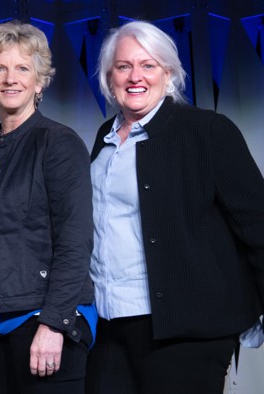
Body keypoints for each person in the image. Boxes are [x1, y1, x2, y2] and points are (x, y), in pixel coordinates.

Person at [85, 20, 264, 394]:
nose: (135, 76)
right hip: (111, 322)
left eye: (148, 65)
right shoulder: (103, 138)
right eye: (123, 66)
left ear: (168, 73)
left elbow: (257, 224)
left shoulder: (208, 132)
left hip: (187, 330)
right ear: (108, 76)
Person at [0, 21, 97, 393]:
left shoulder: (58, 143)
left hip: (42, 320)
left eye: (23, 68)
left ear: (40, 81)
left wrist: (54, 324)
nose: (11, 79)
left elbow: (75, 241)